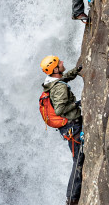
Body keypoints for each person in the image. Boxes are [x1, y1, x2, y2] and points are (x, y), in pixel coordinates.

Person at [41, 56, 85, 205]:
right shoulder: (59, 87)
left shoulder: (53, 82)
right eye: (59, 63)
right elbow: (59, 109)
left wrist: (76, 71)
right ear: (55, 69)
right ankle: (71, 199)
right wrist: (77, 104)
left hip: (69, 127)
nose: (62, 62)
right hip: (72, 127)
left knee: (78, 159)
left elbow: (64, 79)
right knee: (78, 161)